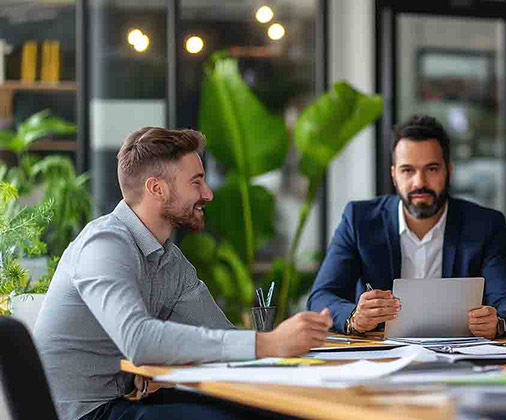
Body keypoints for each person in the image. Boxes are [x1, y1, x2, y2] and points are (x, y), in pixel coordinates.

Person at [34, 127, 333, 420]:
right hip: (86, 413)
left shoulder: (170, 260)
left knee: (274, 410)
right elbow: (138, 340)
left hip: (124, 400)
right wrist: (269, 343)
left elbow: (220, 335)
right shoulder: (104, 245)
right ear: (157, 188)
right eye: (196, 182)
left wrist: (290, 343)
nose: (209, 193)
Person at [307, 114, 506, 339]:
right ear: (394, 174)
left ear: (449, 170)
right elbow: (321, 297)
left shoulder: (485, 225)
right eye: (408, 170)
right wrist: (354, 317)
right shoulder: (359, 220)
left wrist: (497, 322)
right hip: (381, 355)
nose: (419, 182)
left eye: (431, 169)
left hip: (459, 354)